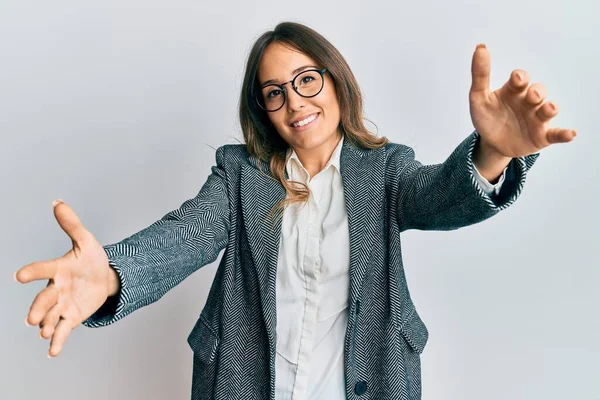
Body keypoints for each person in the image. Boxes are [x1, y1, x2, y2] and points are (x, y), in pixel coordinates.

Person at [15, 21, 576, 400]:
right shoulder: (240, 175)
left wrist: (494, 151)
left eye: (307, 79)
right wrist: (114, 273)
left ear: (336, 80)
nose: (295, 101)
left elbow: (438, 197)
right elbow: (186, 236)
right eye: (274, 91)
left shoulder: (385, 171)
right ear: (263, 108)